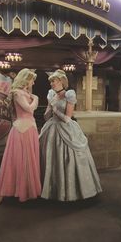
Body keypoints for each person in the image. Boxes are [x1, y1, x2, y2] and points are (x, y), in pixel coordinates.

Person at [39, 70, 102, 201]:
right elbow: (46, 117)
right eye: (51, 81)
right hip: (52, 128)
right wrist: (50, 108)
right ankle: (50, 189)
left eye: (54, 81)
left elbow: (67, 119)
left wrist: (55, 109)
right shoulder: (52, 96)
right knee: (50, 158)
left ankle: (72, 191)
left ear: (61, 81)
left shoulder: (69, 95)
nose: (51, 84)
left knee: (69, 158)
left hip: (66, 129)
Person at [0, 68, 41, 203]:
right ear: (26, 80)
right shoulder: (17, 93)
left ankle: (26, 189)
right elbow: (29, 108)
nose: (33, 83)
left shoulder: (25, 93)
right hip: (21, 130)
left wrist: (32, 96)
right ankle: (3, 191)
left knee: (29, 160)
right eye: (32, 80)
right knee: (17, 161)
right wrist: (36, 98)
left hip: (30, 129)